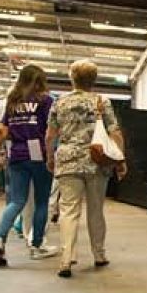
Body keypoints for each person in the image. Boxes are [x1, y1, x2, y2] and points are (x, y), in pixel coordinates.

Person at [47, 60, 125, 278]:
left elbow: (50, 135)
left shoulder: (59, 103)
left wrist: (49, 158)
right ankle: (99, 255)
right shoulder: (102, 101)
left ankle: (66, 258)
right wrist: (121, 160)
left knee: (68, 210)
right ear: (94, 79)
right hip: (96, 161)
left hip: (67, 160)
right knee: (95, 209)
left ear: (72, 78)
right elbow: (115, 132)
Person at [0, 64, 59, 265]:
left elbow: (2, 131)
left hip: (16, 153)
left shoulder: (12, 101)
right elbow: (50, 132)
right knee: (41, 201)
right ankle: (37, 245)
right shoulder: (46, 101)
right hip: (38, 152)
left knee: (16, 201)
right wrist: (51, 157)